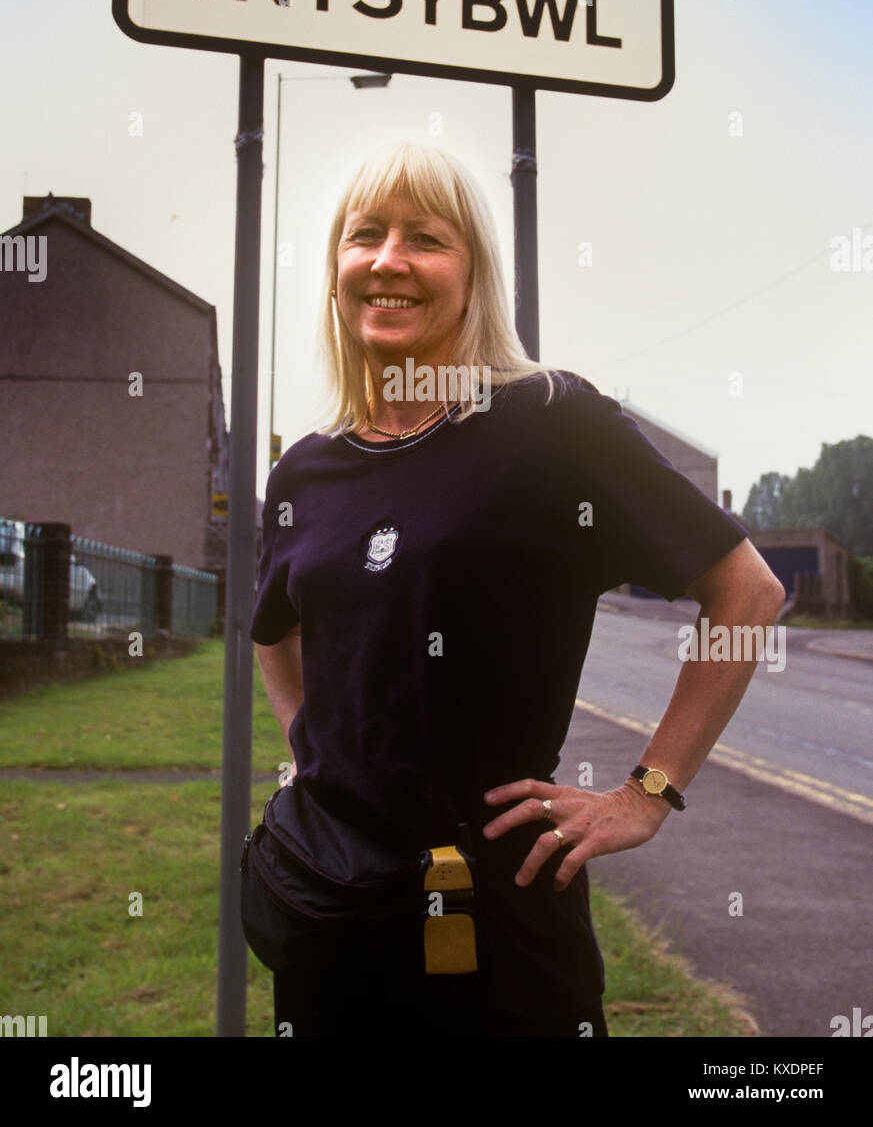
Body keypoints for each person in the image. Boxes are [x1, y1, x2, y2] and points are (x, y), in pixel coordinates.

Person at [249, 140, 785, 1038]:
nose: (387, 261)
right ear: (336, 270)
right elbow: (274, 631)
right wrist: (316, 754)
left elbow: (746, 591)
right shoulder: (304, 470)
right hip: (330, 917)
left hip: (498, 928)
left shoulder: (548, 423)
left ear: (472, 274)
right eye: (364, 235)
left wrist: (647, 792)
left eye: (425, 237)